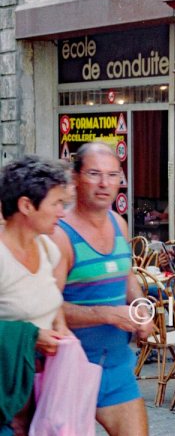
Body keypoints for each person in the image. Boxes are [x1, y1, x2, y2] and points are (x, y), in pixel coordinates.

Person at [51, 142, 152, 436]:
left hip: (116, 364)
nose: (105, 184)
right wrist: (107, 314)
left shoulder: (119, 224)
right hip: (68, 367)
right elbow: (47, 310)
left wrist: (140, 307)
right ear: (75, 177)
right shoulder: (59, 234)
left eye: (113, 175)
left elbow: (127, 275)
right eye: (94, 174)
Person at [0, 155, 71, 433]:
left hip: (35, 396)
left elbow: (50, 297)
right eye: (56, 203)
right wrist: (31, 336)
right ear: (26, 205)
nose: (62, 213)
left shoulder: (46, 248)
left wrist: (60, 326)